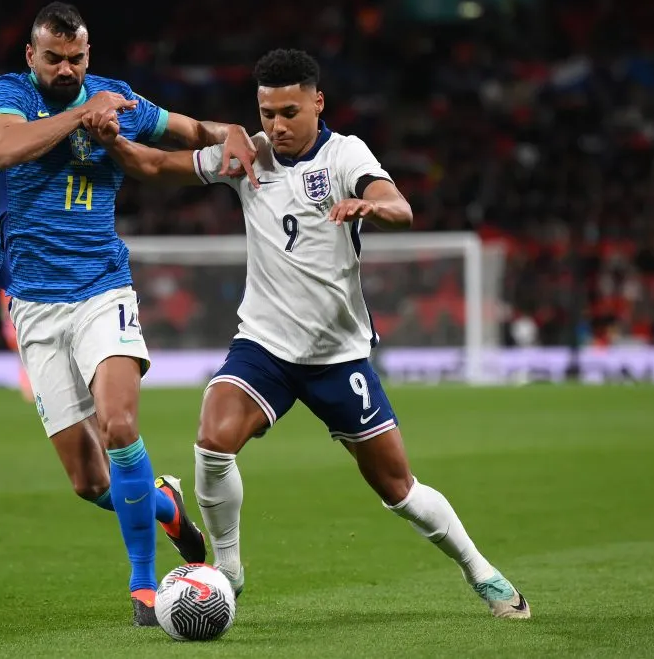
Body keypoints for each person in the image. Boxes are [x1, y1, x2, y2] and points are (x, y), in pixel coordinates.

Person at [81, 48, 531, 619]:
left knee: (399, 490)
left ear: (318, 103)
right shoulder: (250, 156)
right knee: (212, 440)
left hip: (338, 357)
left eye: (289, 112)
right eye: (267, 112)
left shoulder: (345, 154)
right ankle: (229, 571)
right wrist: (108, 140)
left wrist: (365, 203)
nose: (276, 125)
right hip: (264, 347)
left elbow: (401, 207)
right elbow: (154, 167)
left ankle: (482, 573)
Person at [0, 1, 258, 626]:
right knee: (87, 481)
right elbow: (6, 149)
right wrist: (82, 115)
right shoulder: (9, 96)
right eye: (53, 58)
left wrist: (232, 133)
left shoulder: (115, 96)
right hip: (33, 303)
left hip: (103, 289)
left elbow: (185, 130)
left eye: (77, 58)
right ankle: (165, 505)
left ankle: (143, 585)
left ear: (89, 55)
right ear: (32, 57)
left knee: (120, 425)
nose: (67, 68)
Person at [0, 289, 34, 402]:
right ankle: (30, 390)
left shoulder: (5, 287)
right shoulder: (15, 285)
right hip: (17, 326)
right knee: (27, 360)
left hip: (12, 326)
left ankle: (27, 390)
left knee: (23, 360)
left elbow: (3, 312)